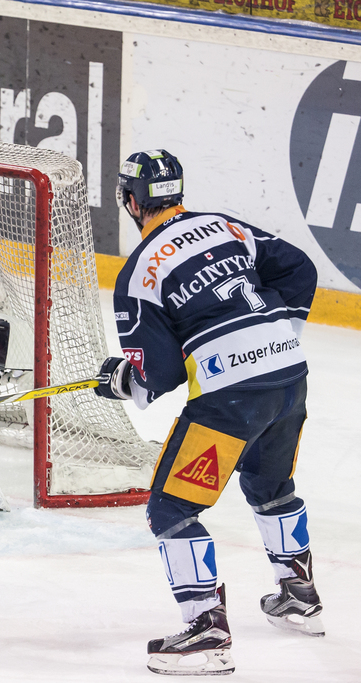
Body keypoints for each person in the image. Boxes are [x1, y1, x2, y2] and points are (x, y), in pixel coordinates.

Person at [96, 150, 323, 675]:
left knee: (170, 510)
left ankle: (207, 633)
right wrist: (275, 333)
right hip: (290, 378)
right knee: (271, 488)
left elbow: (160, 375)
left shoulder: (138, 273)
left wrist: (121, 381)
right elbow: (298, 266)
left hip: (233, 398)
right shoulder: (221, 225)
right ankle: (299, 596)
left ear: (131, 201)